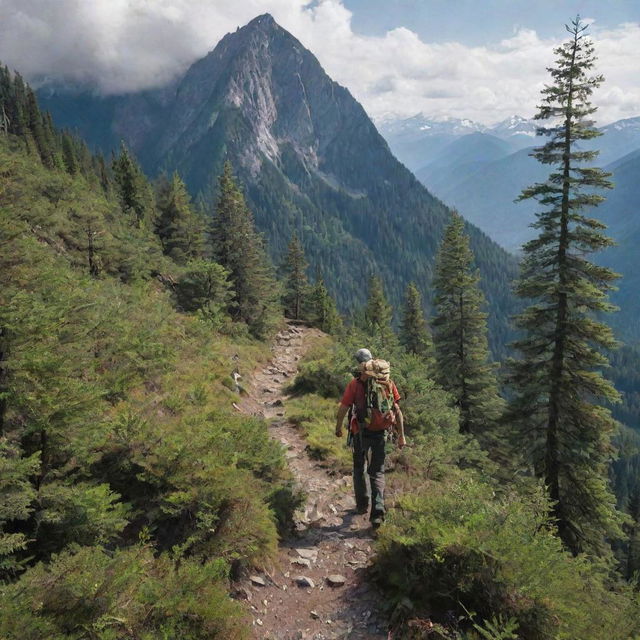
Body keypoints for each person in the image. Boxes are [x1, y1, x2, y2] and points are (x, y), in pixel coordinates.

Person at [335, 350, 405, 528]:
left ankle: (362, 505)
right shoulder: (388, 383)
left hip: (360, 432)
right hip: (381, 433)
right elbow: (397, 410)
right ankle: (378, 513)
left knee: (359, 467)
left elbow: (343, 407)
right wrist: (401, 436)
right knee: (378, 472)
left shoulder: (355, 384)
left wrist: (338, 428)